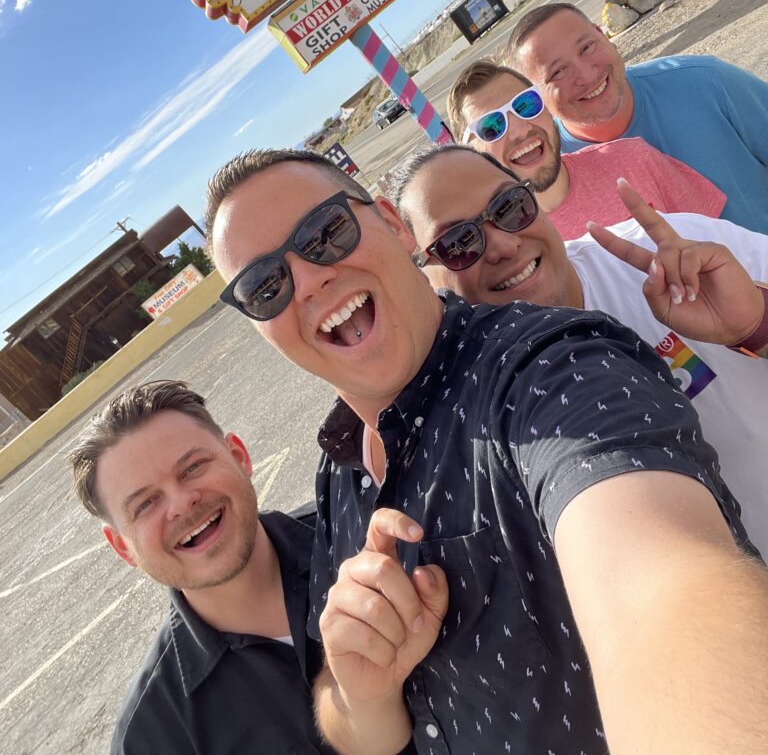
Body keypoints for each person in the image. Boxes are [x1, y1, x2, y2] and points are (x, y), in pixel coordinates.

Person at [206, 147, 768, 755]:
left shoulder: (551, 367)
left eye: (327, 233)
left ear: (394, 227)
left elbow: (663, 594)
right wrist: (362, 692)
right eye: (264, 285)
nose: (310, 279)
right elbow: (351, 724)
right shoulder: (338, 469)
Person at [389, 143, 768, 554]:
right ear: (424, 279)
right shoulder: (468, 417)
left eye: (508, 206)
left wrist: (754, 325)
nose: (503, 245)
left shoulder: (673, 256)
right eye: (459, 242)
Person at [69, 380, 336, 755]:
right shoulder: (154, 738)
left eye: (192, 467)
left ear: (239, 456)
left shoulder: (362, 533)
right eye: (145, 505)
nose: (181, 503)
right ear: (122, 548)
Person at [507, 2, 768, 233]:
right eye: (558, 72)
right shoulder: (552, 176)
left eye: (587, 47)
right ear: (534, 97)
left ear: (604, 35)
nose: (586, 76)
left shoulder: (705, 81)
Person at [446, 58, 725, 239]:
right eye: (492, 126)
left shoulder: (633, 160)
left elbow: (732, 250)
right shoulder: (504, 252)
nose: (520, 129)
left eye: (525, 104)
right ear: (472, 153)